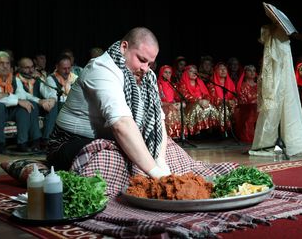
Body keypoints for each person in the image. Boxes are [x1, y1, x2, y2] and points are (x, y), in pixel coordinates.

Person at [47, 27, 237, 197]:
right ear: (124, 47)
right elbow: (121, 124)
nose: (145, 68)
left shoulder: (146, 75)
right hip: (69, 143)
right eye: (141, 60)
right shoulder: (101, 68)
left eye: (150, 63)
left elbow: (158, 123)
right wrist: (156, 173)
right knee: (114, 159)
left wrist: (160, 160)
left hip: (112, 140)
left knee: (168, 148)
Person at [249, 24, 302, 158]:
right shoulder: (270, 29)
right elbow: (267, 50)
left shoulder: (283, 31)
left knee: (287, 104)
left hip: (284, 72)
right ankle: (268, 142)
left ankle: (287, 140)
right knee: (273, 105)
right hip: (275, 72)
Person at [0, 51, 42, 152]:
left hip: (11, 111)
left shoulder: (15, 80)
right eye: (1, 63)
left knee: (28, 105)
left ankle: (24, 143)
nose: (5, 66)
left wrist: (40, 101)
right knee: (0, 106)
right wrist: (16, 100)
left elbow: (22, 95)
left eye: (7, 63)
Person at [16, 57, 58, 147]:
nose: (31, 70)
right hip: (22, 108)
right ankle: (35, 139)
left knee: (53, 105)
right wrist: (40, 101)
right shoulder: (15, 80)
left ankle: (46, 138)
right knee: (33, 104)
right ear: (19, 68)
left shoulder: (37, 79)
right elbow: (22, 96)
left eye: (32, 67)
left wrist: (51, 100)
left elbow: (48, 92)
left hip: (38, 105)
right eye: (27, 68)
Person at [157, 65, 185, 139]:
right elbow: (158, 101)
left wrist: (178, 103)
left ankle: (178, 134)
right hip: (162, 106)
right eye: (165, 72)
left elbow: (177, 97)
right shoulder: (157, 84)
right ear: (161, 73)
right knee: (170, 110)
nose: (167, 74)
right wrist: (170, 104)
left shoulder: (172, 85)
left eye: (169, 73)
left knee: (179, 107)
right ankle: (170, 134)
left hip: (171, 104)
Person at [235, 65, 259, 143]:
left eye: (254, 70)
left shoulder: (259, 85)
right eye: (250, 70)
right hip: (246, 109)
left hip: (258, 107)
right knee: (252, 110)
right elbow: (242, 101)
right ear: (245, 73)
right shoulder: (242, 86)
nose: (252, 73)